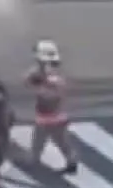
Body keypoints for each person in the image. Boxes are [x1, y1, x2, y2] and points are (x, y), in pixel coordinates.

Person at [25, 39, 79, 174]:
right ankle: (70, 161)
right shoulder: (50, 75)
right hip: (53, 117)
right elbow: (29, 82)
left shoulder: (53, 79)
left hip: (50, 117)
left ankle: (35, 160)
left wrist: (40, 85)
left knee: (46, 141)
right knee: (55, 141)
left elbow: (46, 92)